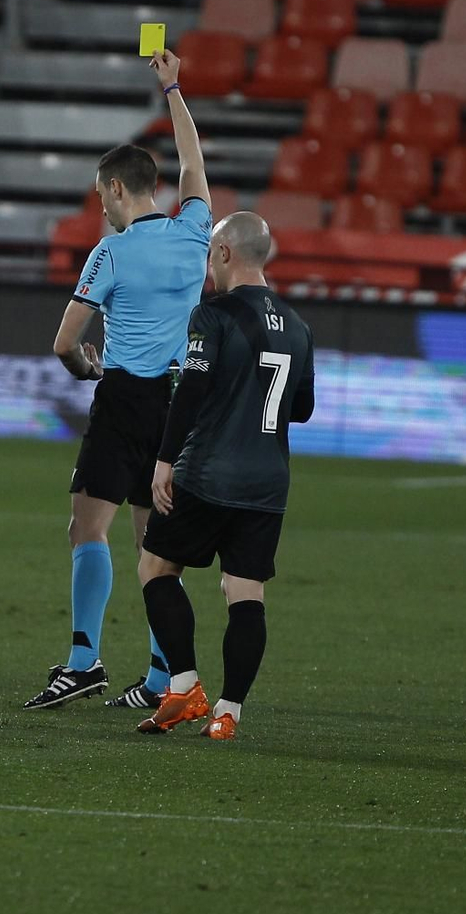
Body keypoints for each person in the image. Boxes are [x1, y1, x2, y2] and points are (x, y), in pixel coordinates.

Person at [22, 49, 213, 711]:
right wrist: (173, 88)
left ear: (116, 189)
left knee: (86, 527)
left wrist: (84, 367)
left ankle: (83, 660)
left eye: (101, 190)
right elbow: (192, 162)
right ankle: (163, 677)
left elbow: (64, 343)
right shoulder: (195, 232)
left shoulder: (110, 250)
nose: (98, 200)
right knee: (156, 549)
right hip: (178, 401)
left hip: (126, 398)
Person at [133, 212, 315, 740]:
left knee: (155, 567)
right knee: (245, 591)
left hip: (209, 472)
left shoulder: (212, 314)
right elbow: (300, 407)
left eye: (211, 254)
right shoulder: (299, 326)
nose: (208, 265)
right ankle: (229, 711)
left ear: (227, 254)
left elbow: (190, 390)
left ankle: (186, 686)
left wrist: (164, 461)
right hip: (268, 481)